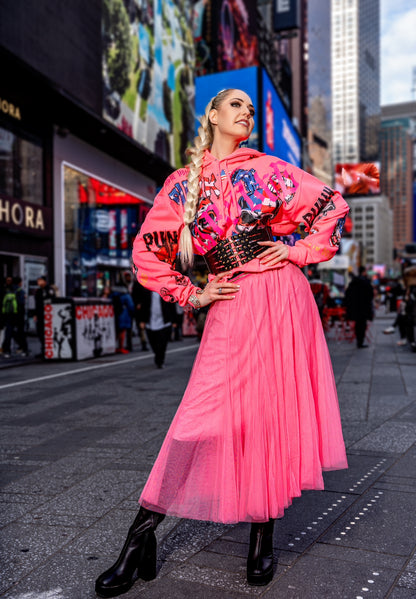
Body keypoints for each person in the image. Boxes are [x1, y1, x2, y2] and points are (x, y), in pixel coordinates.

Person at [96, 88, 349, 597]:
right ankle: (139, 538)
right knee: (198, 418)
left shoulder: (273, 169)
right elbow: (147, 252)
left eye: (250, 109)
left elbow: (334, 204)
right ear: (211, 114)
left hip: (283, 296)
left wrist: (299, 250)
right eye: (236, 105)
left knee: (268, 416)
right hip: (231, 301)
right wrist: (194, 292)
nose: (247, 113)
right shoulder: (183, 183)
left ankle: (262, 535)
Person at [136, 283, 176, 368]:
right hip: (150, 322)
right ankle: (157, 354)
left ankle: (160, 361)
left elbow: (172, 305)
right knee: (153, 342)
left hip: (164, 322)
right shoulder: (146, 291)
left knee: (162, 343)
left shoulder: (166, 292)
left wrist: (174, 321)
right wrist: (142, 321)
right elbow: (144, 306)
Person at [344, 266, 374, 348]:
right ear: (364, 272)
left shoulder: (353, 282)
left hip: (355, 308)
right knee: (362, 325)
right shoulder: (366, 282)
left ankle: (358, 341)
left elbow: (347, 294)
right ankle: (360, 342)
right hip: (364, 308)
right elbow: (370, 294)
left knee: (357, 324)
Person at [34, 276, 56, 358]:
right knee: (40, 332)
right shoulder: (38, 291)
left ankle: (47, 350)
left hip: (48, 314)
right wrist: (35, 314)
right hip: (40, 314)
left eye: (40, 281)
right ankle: (43, 349)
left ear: (45, 281)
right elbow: (37, 304)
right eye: (38, 281)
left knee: (47, 332)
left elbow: (52, 301)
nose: (39, 282)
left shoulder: (49, 290)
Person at [110, 284, 135, 354]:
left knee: (116, 332)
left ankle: (112, 346)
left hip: (114, 315)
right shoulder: (126, 296)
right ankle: (121, 347)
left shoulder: (112, 295)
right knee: (122, 332)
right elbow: (131, 306)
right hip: (124, 316)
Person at [13, 276, 29, 356]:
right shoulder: (20, 291)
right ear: (20, 283)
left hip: (10, 314)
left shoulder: (10, 290)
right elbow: (22, 303)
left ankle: (20, 346)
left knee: (11, 331)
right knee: (21, 331)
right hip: (19, 314)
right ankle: (24, 348)